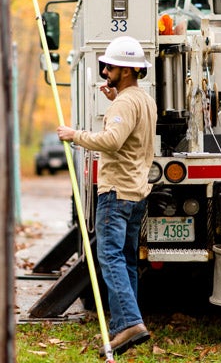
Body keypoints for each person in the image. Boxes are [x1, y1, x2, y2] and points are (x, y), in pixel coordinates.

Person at [57, 36, 157, 357]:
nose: (105, 72)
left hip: (116, 191)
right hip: (136, 192)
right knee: (125, 259)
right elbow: (128, 132)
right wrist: (115, 99)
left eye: (110, 67)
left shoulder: (125, 103)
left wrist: (75, 136)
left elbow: (113, 140)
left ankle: (129, 322)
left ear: (127, 71)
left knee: (109, 256)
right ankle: (124, 327)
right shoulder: (143, 100)